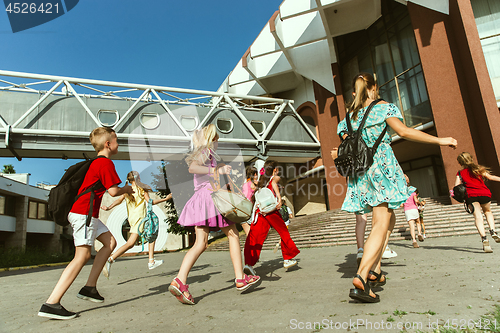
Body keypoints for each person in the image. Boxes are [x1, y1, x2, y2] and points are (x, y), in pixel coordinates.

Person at [334, 72, 457, 303]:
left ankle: (376, 267)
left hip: (360, 174)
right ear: (373, 88)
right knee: (381, 222)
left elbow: (346, 138)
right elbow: (404, 132)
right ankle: (362, 276)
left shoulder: (349, 117)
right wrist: (441, 140)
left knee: (388, 219)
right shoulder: (383, 108)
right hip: (380, 168)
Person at [38, 127, 134, 320]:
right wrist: (129, 189)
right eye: (116, 140)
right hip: (84, 214)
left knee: (109, 243)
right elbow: (113, 191)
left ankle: (89, 288)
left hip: (88, 214)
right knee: (81, 257)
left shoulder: (97, 163)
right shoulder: (105, 163)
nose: (118, 143)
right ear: (108, 144)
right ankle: (51, 303)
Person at [168, 124, 260, 305]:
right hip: (209, 199)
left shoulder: (205, 153)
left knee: (200, 244)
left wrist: (220, 173)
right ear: (212, 139)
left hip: (201, 200)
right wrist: (216, 170)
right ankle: (240, 278)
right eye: (217, 139)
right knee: (233, 234)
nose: (218, 143)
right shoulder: (206, 152)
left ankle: (180, 280)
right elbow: (193, 168)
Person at [100, 171, 173, 276]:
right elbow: (150, 201)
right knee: (145, 236)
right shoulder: (141, 189)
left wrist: (108, 208)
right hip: (141, 218)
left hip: (133, 219)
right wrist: (165, 199)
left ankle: (112, 259)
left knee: (136, 241)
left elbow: (118, 201)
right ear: (138, 178)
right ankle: (111, 259)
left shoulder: (127, 190)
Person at [243, 160, 300, 275]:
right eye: (277, 169)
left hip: (260, 212)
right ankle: (287, 259)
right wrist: (279, 199)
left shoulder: (260, 181)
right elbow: (275, 184)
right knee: (283, 232)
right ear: (274, 170)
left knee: (254, 236)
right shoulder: (274, 179)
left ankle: (249, 264)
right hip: (271, 211)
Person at [455, 152, 500, 253]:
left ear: (460, 163)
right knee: (488, 212)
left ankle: (484, 238)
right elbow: (490, 177)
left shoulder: (460, 173)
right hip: (484, 193)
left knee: (478, 217)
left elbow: (456, 187)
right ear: (471, 158)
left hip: (471, 196)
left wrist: (453, 194)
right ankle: (493, 230)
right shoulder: (478, 168)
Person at [241, 165, 258, 235]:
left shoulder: (245, 184)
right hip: (251, 208)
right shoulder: (254, 184)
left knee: (244, 225)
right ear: (254, 174)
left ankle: (252, 243)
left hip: (244, 208)